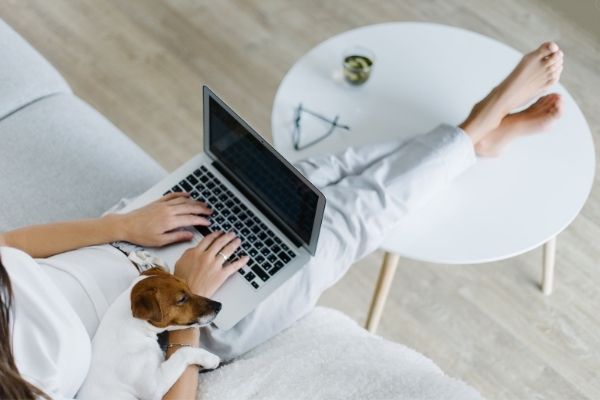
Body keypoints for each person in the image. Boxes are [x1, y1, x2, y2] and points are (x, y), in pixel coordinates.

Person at [0, 42, 563, 399]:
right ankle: (477, 126)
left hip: (133, 237)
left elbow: (12, 243)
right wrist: (189, 301)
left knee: (297, 178)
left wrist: (123, 228)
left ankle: (467, 141)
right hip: (197, 310)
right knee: (345, 216)